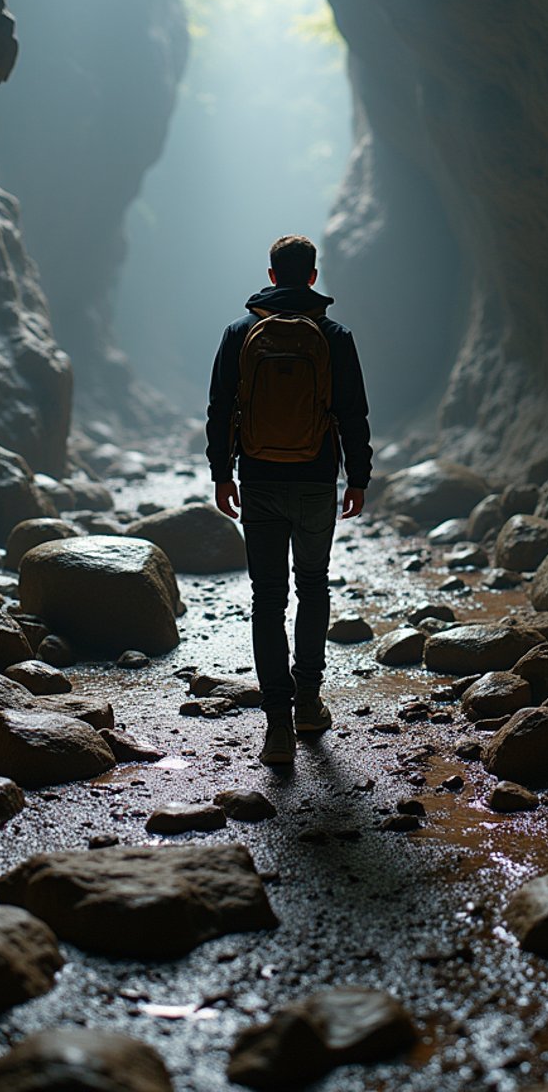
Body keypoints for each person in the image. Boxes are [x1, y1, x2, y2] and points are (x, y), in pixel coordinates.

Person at [206, 234, 372, 766]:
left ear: (273, 276)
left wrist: (221, 474)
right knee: (314, 587)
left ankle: (277, 727)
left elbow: (219, 409)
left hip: (257, 478)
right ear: (314, 276)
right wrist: (359, 477)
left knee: (267, 597)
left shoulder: (239, 333)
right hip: (317, 480)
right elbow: (353, 413)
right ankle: (308, 704)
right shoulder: (335, 335)